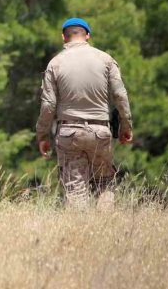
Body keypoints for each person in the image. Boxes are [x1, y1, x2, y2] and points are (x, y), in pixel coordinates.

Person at [36, 18, 132, 208]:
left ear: (64, 37)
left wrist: (42, 135)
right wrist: (125, 126)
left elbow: (48, 105)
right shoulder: (105, 60)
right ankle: (106, 229)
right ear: (87, 35)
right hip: (100, 131)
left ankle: (80, 233)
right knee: (105, 184)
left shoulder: (55, 64)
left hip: (69, 133)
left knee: (75, 189)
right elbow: (120, 96)